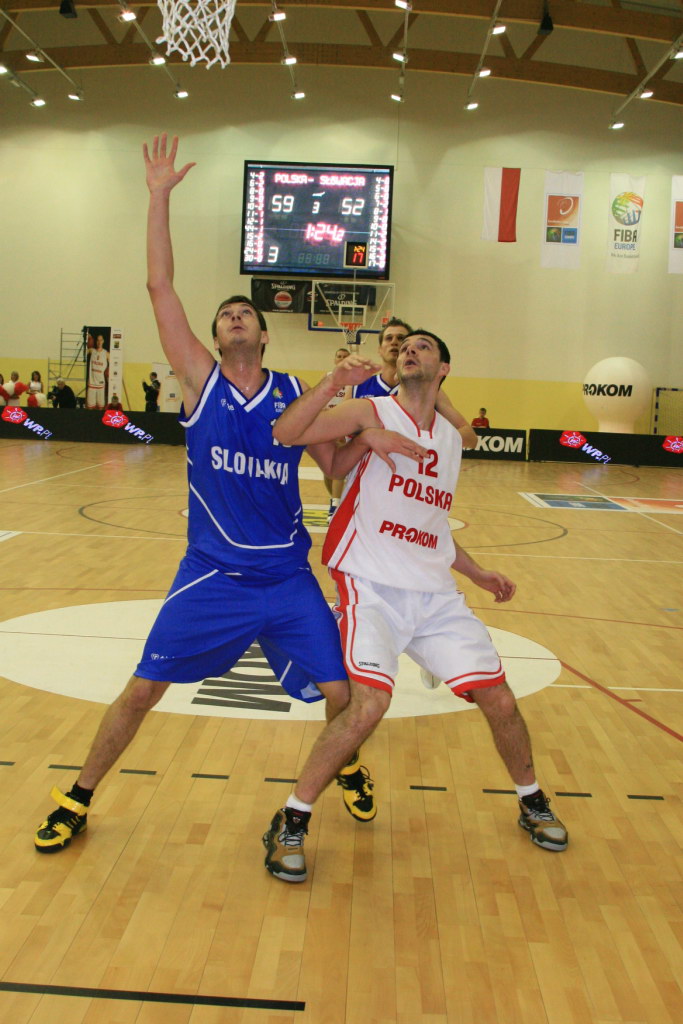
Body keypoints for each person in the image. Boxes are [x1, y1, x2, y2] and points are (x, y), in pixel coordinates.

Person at [34, 133, 390, 855]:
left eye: (244, 313)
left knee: (343, 697)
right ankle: (78, 796)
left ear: (262, 333)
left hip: (286, 576)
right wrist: (158, 197)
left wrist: (377, 434)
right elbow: (159, 288)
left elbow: (333, 467)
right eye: (225, 314)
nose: (233, 317)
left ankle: (344, 762)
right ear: (214, 338)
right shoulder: (202, 382)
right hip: (213, 575)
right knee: (142, 690)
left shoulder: (293, 392)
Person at [262, 329, 568, 882]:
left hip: (434, 594)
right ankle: (292, 818)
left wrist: (476, 572)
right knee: (368, 706)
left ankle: (532, 800)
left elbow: (432, 524)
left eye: (424, 347)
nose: (410, 351)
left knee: (499, 699)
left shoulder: (449, 440)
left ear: (444, 368)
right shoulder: (371, 409)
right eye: (407, 347)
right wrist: (361, 430)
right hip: (371, 585)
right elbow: (287, 432)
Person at [322, 346, 350, 522]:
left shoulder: (355, 380)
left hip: (346, 426)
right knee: (327, 470)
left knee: (339, 467)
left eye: (345, 356)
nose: (341, 359)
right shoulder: (327, 378)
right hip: (329, 426)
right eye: (339, 356)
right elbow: (319, 401)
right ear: (334, 359)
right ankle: (334, 498)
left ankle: (335, 504)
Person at [86, 335, 109, 409]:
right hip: (92, 383)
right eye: (98, 340)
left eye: (101, 340)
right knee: (90, 407)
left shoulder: (106, 353)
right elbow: (83, 352)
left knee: (100, 407)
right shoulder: (92, 351)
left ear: (103, 341)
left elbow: (114, 365)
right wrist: (88, 337)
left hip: (100, 383)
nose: (99, 342)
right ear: (96, 341)